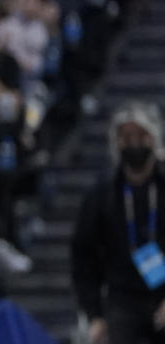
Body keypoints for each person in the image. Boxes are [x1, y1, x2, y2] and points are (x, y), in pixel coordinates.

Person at [72, 101, 165, 344]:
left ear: (154, 138)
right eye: (127, 136)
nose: (134, 142)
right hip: (122, 300)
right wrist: (94, 315)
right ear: (117, 141)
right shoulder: (101, 196)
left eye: (141, 135)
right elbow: (83, 258)